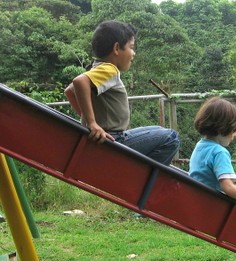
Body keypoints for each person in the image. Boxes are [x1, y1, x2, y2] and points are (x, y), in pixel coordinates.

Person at [64, 20, 179, 165]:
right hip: (113, 140)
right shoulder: (109, 69)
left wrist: (88, 120)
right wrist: (92, 123)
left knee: (159, 130)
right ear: (117, 48)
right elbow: (79, 82)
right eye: (131, 47)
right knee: (171, 137)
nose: (133, 53)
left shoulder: (97, 69)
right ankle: (142, 182)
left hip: (113, 136)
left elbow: (69, 92)